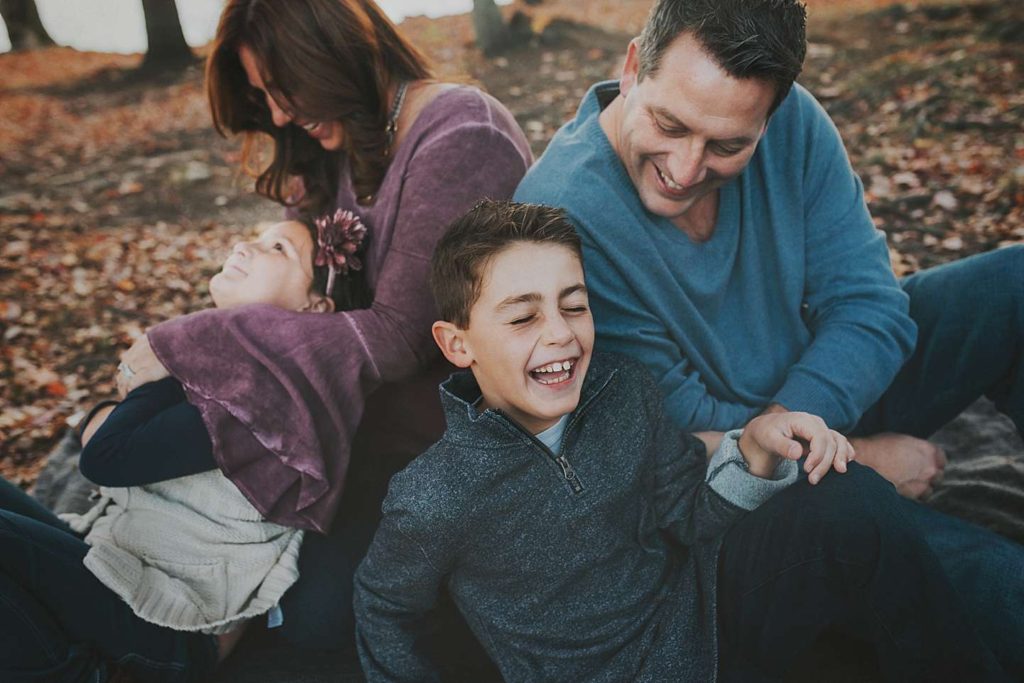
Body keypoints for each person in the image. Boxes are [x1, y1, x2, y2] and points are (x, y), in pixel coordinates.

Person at [514, 0, 1024, 674]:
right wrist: (863, 458)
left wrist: (800, 418)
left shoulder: (796, 125)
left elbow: (870, 303)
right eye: (670, 125)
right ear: (634, 66)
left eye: (728, 144)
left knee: (1014, 281)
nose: (687, 167)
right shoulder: (561, 220)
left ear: (771, 114)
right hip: (729, 489)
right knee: (994, 579)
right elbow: (671, 440)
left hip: (813, 401)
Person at [352, 199, 1004, 682]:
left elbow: (689, 508)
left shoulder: (625, 393)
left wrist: (754, 448)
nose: (560, 333)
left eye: (573, 305)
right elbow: (383, 604)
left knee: (848, 496)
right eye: (524, 316)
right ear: (457, 343)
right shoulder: (434, 493)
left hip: (707, 617)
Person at [115, 0, 532, 650]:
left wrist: (188, 346)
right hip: (327, 428)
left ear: (333, 53)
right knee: (155, 524)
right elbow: (285, 298)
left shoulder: (463, 136)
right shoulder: (325, 140)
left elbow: (396, 335)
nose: (279, 114)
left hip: (428, 451)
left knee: (316, 618)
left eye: (286, 90)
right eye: (264, 96)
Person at [0, 218, 363, 682]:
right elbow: (106, 440)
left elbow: (105, 455)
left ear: (316, 307)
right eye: (254, 231)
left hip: (168, 624)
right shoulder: (234, 366)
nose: (245, 242)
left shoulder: (271, 394)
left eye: (278, 247)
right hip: (123, 561)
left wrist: (159, 366)